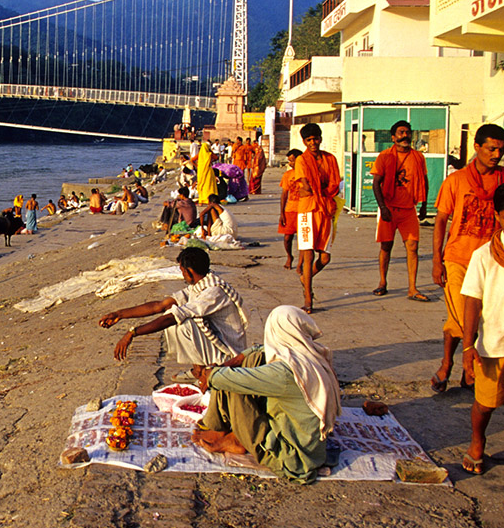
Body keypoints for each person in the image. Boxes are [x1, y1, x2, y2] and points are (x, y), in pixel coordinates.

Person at [192, 305, 342, 483]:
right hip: (309, 449)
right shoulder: (312, 353)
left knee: (231, 382)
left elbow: (222, 379)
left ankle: (224, 432)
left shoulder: (286, 372)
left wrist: (209, 372)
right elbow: (259, 350)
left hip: (291, 457)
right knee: (251, 360)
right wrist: (242, 357)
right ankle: (222, 428)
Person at [431, 123, 504, 392]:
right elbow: (441, 220)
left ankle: (449, 365)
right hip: (458, 259)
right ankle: (459, 365)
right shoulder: (456, 181)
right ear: (476, 147)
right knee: (465, 319)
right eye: (491, 148)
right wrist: (436, 260)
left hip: (493, 261)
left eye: (501, 149)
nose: (496, 154)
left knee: (480, 318)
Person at [98, 247, 249, 382]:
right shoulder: (200, 285)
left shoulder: (213, 292)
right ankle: (199, 369)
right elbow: (160, 306)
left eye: (182, 271)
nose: (182, 275)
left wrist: (132, 333)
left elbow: (170, 317)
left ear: (189, 271)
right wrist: (119, 314)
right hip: (216, 340)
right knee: (174, 313)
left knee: (180, 321)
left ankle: (208, 370)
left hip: (230, 352)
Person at [458, 180, 504, 508]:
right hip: (493, 345)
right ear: (498, 217)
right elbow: (472, 301)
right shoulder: (484, 255)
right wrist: (467, 346)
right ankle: (478, 440)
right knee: (484, 406)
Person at [371, 120, 429, 301]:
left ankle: (412, 288)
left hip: (408, 209)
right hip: (388, 207)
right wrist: (383, 208)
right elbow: (376, 183)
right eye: (401, 132)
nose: (405, 136)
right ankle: (382, 282)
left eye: (408, 132)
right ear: (393, 137)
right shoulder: (385, 156)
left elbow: (424, 180)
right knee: (386, 246)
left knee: (412, 247)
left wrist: (424, 205)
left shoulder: (418, 157)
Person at [294, 123, 341, 314]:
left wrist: (321, 190)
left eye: (316, 139)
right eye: (309, 140)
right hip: (307, 209)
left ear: (320, 139)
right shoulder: (301, 160)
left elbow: (335, 183)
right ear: (305, 142)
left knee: (325, 257)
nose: (313, 143)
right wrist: (320, 189)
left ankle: (306, 278)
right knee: (308, 254)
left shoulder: (330, 159)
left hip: (326, 209)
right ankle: (308, 299)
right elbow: (305, 186)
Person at [278, 149, 303, 270]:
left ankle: (301, 263)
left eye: (292, 161)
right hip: (290, 210)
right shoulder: (288, 175)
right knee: (288, 237)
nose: (290, 163)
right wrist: (282, 213)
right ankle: (289, 256)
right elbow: (284, 195)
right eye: (289, 161)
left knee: (304, 239)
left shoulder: (307, 173)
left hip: (304, 209)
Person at [197, 140, 218, 204]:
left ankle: (202, 199)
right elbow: (216, 157)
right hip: (208, 171)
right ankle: (209, 199)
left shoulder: (200, 155)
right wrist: (211, 151)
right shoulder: (209, 154)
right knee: (209, 185)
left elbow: (192, 159)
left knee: (202, 185)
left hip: (201, 171)